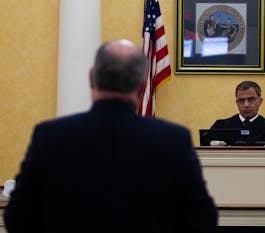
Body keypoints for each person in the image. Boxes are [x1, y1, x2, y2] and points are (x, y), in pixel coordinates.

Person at [4, 39, 218, 233]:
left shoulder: (49, 136)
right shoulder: (174, 140)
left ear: (91, 79)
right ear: (143, 86)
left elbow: (18, 217)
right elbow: (202, 220)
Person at [211, 80, 265, 144]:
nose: (246, 105)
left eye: (251, 99)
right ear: (237, 103)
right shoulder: (220, 127)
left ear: (260, 101)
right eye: (241, 100)